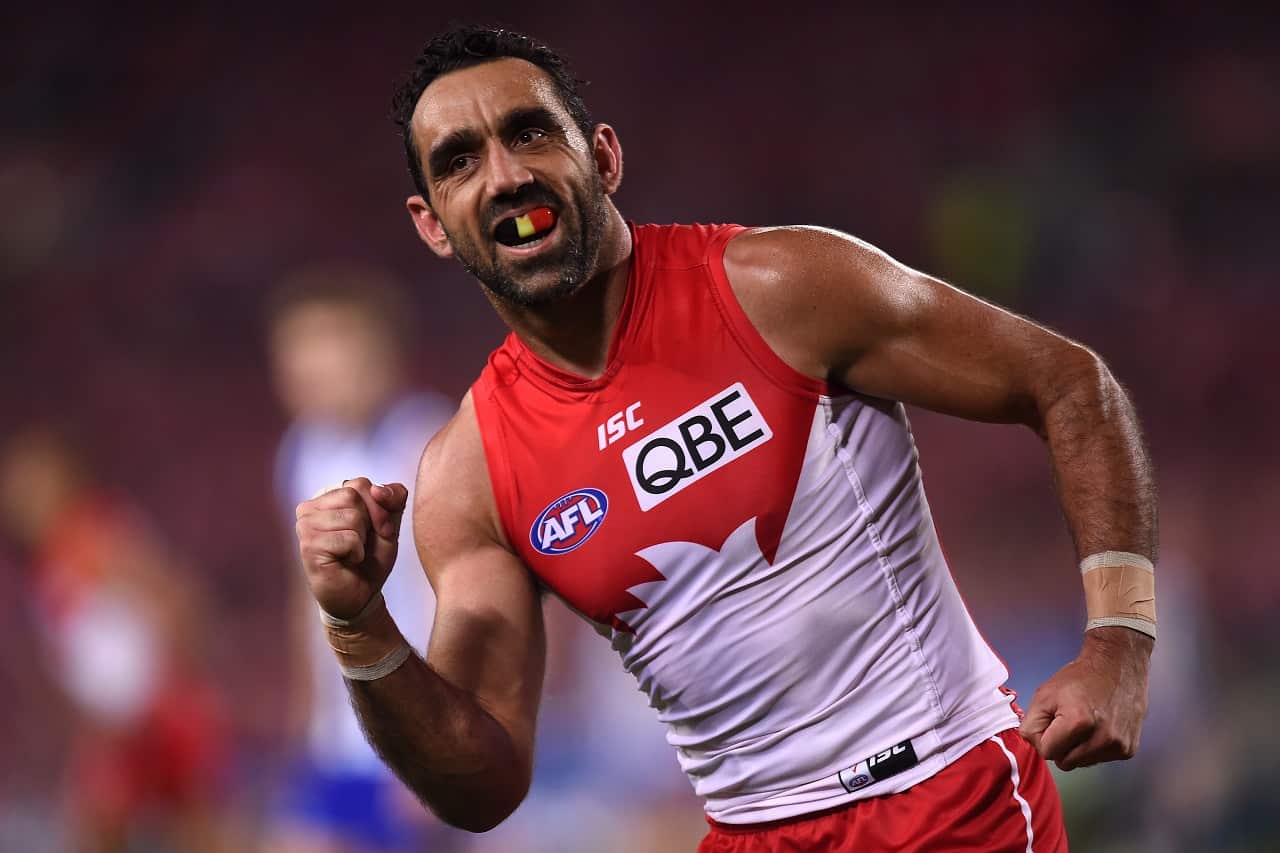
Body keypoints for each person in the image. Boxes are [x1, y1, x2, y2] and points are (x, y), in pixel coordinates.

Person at [293, 26, 1157, 852]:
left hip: (945, 800)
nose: (506, 176)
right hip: (749, 830)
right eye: (460, 161)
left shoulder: (781, 288)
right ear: (433, 222)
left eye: (529, 133)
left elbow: (1070, 382)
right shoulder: (470, 472)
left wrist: (1119, 639)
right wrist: (359, 624)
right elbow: (479, 788)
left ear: (602, 157)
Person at [264, 266, 456, 852]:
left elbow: (457, 592)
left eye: (328, 352)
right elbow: (307, 595)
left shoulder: (427, 439)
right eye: (297, 359)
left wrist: (441, 732)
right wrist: (309, 716)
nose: (310, 374)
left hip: (416, 725)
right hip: (341, 734)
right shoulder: (302, 450)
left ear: (378, 353)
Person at [0, 425, 229, 853]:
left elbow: (175, 600)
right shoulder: (51, 558)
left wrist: (169, 687)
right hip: (121, 721)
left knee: (175, 827)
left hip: (154, 713)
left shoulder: (92, 534)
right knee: (136, 826)